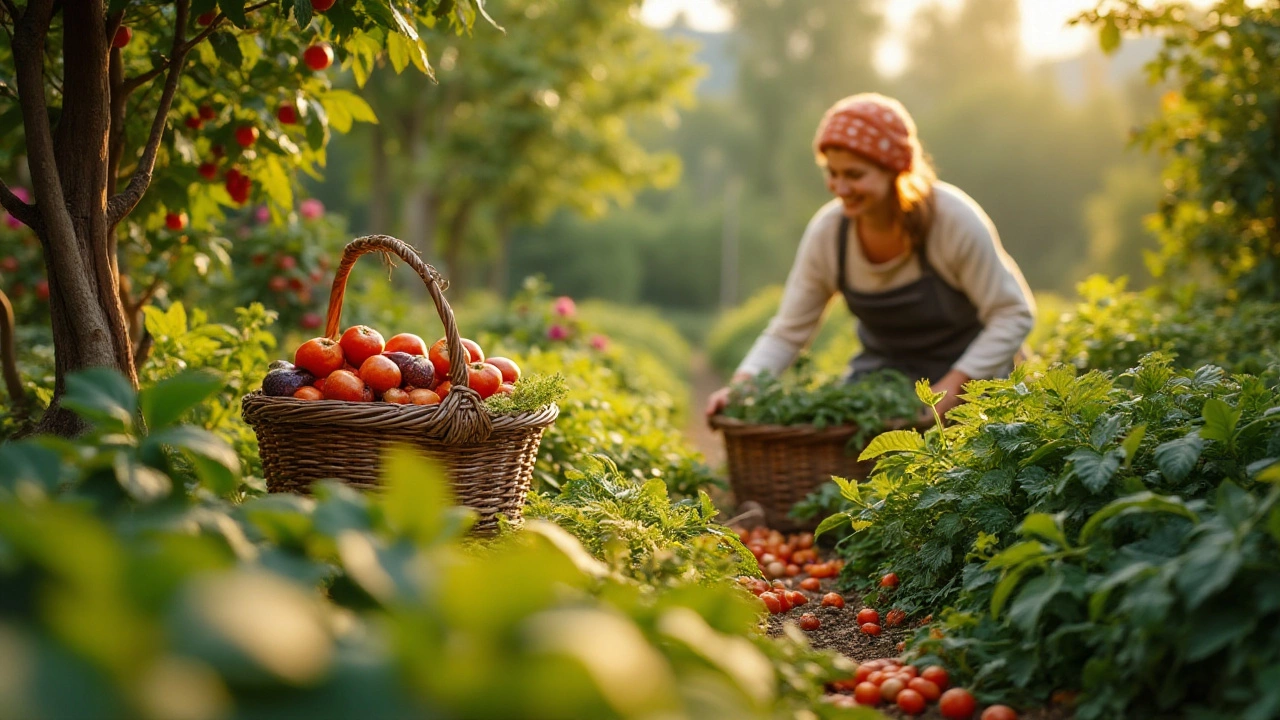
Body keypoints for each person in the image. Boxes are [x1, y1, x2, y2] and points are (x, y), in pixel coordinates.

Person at [706, 93, 1035, 420]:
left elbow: (1013, 313)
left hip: (975, 384)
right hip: (884, 382)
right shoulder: (829, 233)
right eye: (832, 173)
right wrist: (742, 388)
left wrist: (946, 394)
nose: (839, 187)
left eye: (854, 175)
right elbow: (788, 332)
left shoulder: (953, 221)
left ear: (895, 171)